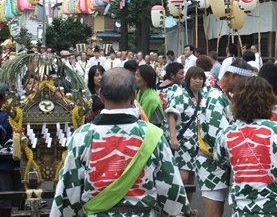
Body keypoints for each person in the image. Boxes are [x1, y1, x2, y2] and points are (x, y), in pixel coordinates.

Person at [50, 68, 190, 217]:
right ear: (134, 96)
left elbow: (67, 194)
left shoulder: (82, 136)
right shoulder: (153, 135)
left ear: (101, 96)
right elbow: (173, 194)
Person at [215, 77, 277, 217]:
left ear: (236, 101)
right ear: (268, 100)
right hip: (276, 208)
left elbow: (219, 159)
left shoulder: (226, 133)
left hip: (242, 209)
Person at [197, 60, 254, 217]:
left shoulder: (224, 95)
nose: (245, 86)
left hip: (221, 162)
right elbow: (219, 137)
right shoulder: (215, 97)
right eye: (244, 82)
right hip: (212, 163)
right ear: (234, 76)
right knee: (213, 214)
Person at [165, 66, 205, 211]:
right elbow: (172, 115)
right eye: (195, 78)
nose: (198, 81)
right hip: (182, 142)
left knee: (191, 178)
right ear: (188, 79)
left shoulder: (203, 96)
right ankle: (176, 209)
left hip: (197, 143)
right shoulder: (180, 94)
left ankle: (188, 209)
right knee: (182, 177)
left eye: (200, 78)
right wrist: (173, 137)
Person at [0, 83, 21, 217]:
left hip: (8, 163)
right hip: (11, 163)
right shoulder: (16, 114)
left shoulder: (12, 114)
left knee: (9, 202)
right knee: (13, 201)